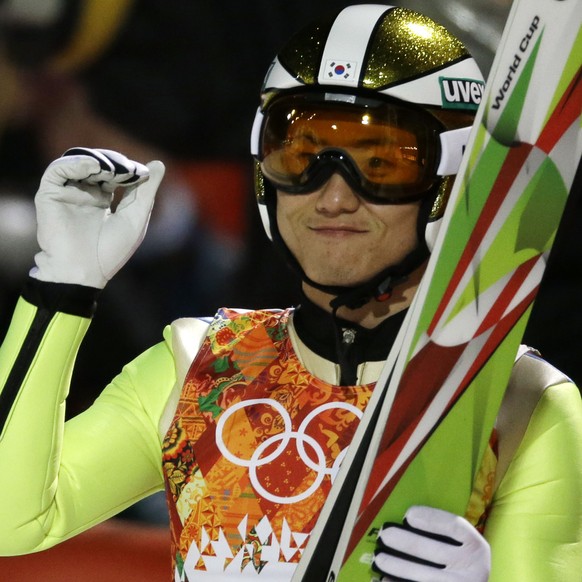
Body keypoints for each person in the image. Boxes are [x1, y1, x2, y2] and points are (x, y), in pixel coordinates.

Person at [0, 4, 580, 581]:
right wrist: (60, 285)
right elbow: (12, 520)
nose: (331, 197)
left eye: (380, 162)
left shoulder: (525, 404)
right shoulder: (197, 364)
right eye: (299, 156)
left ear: (449, 180)